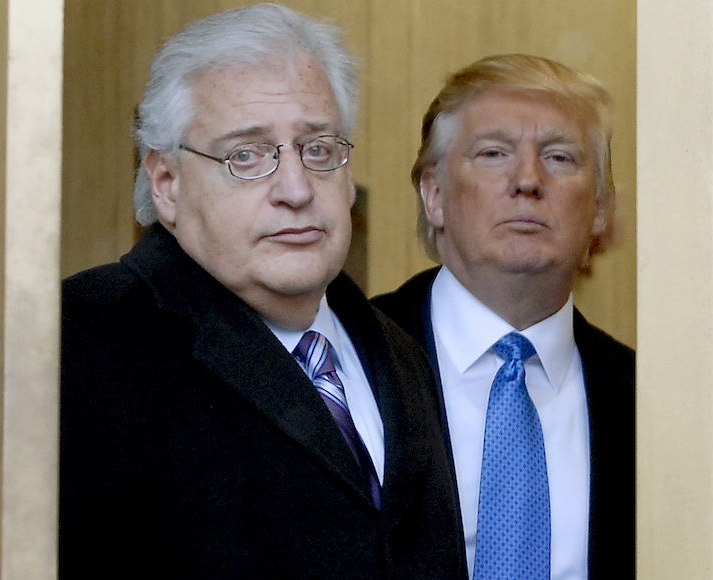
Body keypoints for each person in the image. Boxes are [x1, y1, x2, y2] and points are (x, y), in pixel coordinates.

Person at [59, 4, 464, 578]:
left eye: (318, 148)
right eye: (245, 155)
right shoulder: (85, 340)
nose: (296, 188)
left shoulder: (398, 353)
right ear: (166, 183)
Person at [372, 54, 635, 580]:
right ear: (435, 195)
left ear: (600, 209)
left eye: (560, 158)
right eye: (494, 153)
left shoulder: (645, 401)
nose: (528, 180)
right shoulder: (346, 362)